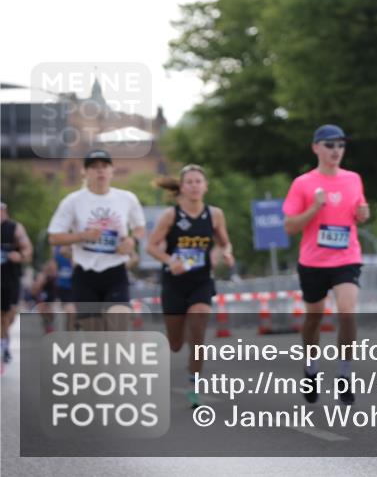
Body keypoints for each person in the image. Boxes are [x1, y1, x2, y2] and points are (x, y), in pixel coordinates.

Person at [283, 124, 370, 405]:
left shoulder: (354, 178)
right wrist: (314, 208)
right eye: (330, 145)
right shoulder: (303, 184)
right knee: (314, 319)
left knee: (347, 312)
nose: (336, 151)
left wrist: (363, 213)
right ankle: (311, 369)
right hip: (313, 261)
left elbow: (361, 210)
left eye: (341, 145)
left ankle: (345, 374)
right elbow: (289, 227)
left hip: (346, 257)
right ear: (316, 148)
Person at [146, 164, 235, 408]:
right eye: (190, 182)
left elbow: (225, 243)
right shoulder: (171, 215)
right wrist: (170, 260)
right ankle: (178, 332)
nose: (195, 186)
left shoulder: (215, 214)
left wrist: (224, 253)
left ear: (205, 186)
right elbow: (151, 246)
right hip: (174, 283)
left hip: (201, 280)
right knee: (175, 345)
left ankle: (194, 383)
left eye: (199, 181)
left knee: (198, 328)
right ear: (182, 188)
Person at [47, 150, 145, 331]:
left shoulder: (127, 198)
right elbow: (53, 237)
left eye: (104, 166)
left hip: (116, 272)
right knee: (95, 336)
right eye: (94, 167)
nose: (100, 171)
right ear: (85, 172)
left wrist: (132, 241)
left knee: (118, 325)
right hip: (85, 274)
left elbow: (139, 228)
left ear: (112, 171)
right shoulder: (73, 201)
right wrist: (82, 236)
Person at [1, 202, 33, 366]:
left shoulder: (14, 228)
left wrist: (20, 256)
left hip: (10, 279)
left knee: (9, 316)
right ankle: (2, 346)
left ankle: (4, 340)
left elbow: (28, 251)